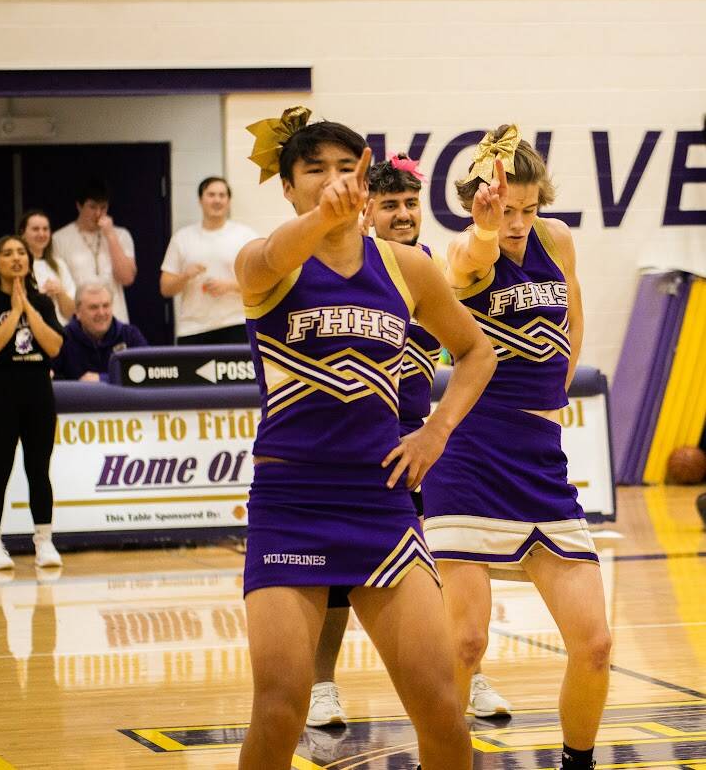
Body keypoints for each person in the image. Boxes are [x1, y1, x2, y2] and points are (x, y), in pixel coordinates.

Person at [236, 106, 496, 770]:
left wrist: (435, 432)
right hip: (290, 503)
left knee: (441, 709)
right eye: (314, 169)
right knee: (278, 710)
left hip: (380, 501)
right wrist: (321, 218)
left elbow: (476, 353)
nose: (332, 180)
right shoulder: (263, 262)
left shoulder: (407, 268)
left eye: (345, 168)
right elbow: (275, 252)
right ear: (287, 186)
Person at [422, 125, 612, 770]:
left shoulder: (556, 240)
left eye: (529, 209)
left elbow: (574, 316)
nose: (520, 223)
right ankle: (441, 759)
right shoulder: (464, 251)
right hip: (471, 452)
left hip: (539, 454)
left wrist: (558, 388)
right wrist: (483, 229)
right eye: (507, 211)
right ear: (482, 204)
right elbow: (469, 262)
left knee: (594, 644)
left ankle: (576, 764)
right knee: (466, 642)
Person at [307, 154, 512, 729]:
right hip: (355, 446)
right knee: (337, 580)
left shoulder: (432, 269)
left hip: (424, 443)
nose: (402, 214)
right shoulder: (345, 271)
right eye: (390, 204)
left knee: (452, 565)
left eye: (409, 204)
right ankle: (323, 686)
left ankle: (468, 670)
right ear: (366, 210)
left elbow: (473, 333)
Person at [0, 235, 64, 570]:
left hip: (38, 394)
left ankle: (44, 542)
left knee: (39, 469)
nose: (16, 258)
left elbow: (53, 346)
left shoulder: (42, 302)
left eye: (21, 252)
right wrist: (14, 313)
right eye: (8, 254)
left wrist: (28, 309)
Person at [160, 177, 257, 344]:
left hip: (235, 324)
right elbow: (165, 288)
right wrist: (185, 276)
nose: (217, 200)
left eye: (222, 195)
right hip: (192, 328)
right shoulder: (182, 238)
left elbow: (261, 283)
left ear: (228, 201)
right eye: (211, 195)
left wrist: (230, 286)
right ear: (200, 200)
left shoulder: (245, 236)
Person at [52, 177, 136, 323]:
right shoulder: (59, 238)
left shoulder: (121, 235)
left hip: (115, 319)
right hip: (78, 321)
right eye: (92, 207)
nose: (98, 213)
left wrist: (110, 236)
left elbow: (127, 278)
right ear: (79, 206)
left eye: (103, 207)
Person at [52, 282, 147, 382]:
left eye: (106, 306)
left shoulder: (130, 335)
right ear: (78, 312)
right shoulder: (62, 339)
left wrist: (102, 379)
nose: (101, 313)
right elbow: (53, 381)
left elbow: (147, 371)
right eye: (93, 307)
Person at [17, 209, 76, 325]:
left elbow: (70, 313)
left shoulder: (59, 265)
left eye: (45, 229)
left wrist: (60, 292)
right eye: (35, 229)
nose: (41, 234)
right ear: (22, 233)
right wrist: (39, 295)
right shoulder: (16, 265)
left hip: (60, 333)